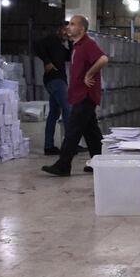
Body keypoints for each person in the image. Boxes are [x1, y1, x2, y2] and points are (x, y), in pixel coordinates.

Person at [42, 15, 108, 177]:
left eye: (72, 24)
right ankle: (100, 163)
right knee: (91, 131)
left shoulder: (87, 44)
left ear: (82, 29)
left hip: (85, 94)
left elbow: (103, 58)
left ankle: (63, 165)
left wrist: (89, 74)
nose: (68, 27)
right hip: (79, 94)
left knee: (72, 130)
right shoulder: (76, 45)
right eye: (68, 24)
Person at [35, 21, 73, 155]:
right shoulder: (51, 40)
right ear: (59, 29)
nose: (66, 33)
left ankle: (49, 146)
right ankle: (70, 145)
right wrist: (47, 61)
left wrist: (71, 41)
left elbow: (70, 56)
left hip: (58, 80)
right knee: (68, 108)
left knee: (54, 114)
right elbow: (37, 46)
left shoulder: (61, 46)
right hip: (55, 80)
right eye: (65, 30)